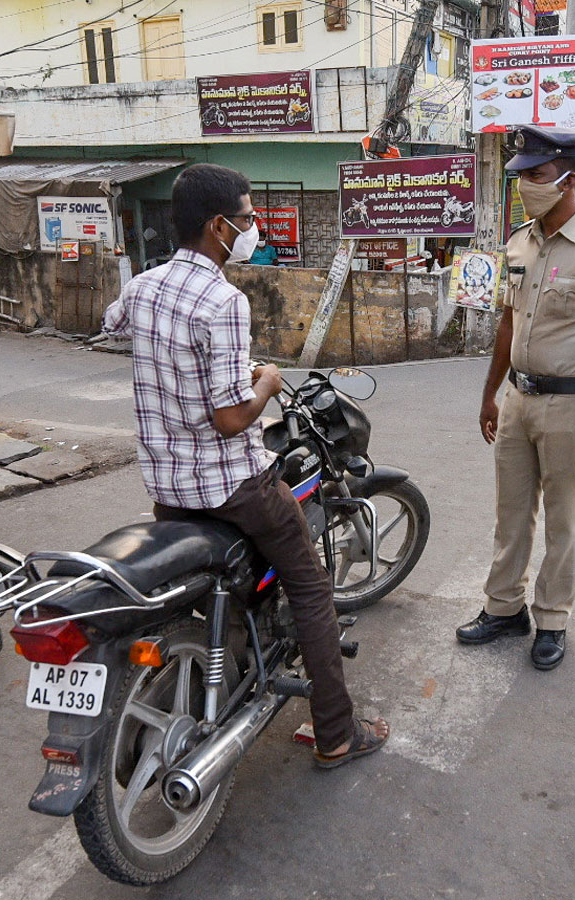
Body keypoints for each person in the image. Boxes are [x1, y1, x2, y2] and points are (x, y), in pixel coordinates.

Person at [103, 164, 389, 768]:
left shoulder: (145, 286)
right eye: (249, 216)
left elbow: (113, 325)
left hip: (166, 486)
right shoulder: (223, 299)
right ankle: (336, 733)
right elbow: (232, 421)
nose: (253, 226)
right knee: (311, 586)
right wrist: (266, 381)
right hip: (230, 485)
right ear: (217, 225)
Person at [454, 126, 575, 671]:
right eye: (521, 178)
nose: (524, 187)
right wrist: (490, 393)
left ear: (568, 180)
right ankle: (504, 607)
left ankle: (552, 618)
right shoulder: (520, 241)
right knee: (510, 514)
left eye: (535, 176)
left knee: (564, 519)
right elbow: (508, 325)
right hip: (518, 400)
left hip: (570, 407)